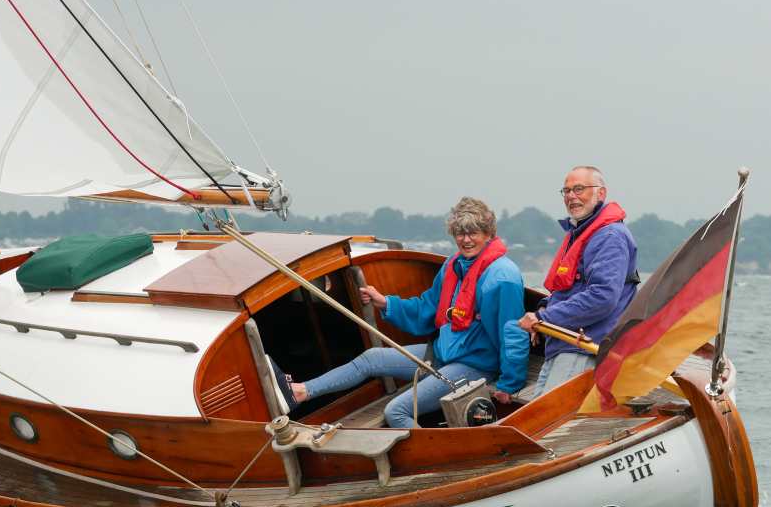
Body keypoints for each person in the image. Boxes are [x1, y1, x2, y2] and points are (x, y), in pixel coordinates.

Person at [268, 197, 529, 428]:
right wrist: (386, 303)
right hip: (442, 354)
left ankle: (436, 463)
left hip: (475, 365)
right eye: (460, 233)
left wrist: (509, 384)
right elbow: (428, 307)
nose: (466, 239)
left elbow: (513, 332)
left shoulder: (502, 277)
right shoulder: (454, 265)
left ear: (488, 234)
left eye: (473, 232)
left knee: (397, 410)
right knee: (371, 358)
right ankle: (300, 392)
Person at [512, 166, 638, 401]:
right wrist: (544, 308)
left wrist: (544, 319)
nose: (571, 196)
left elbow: (602, 297)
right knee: (538, 416)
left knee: (546, 421)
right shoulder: (582, 234)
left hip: (584, 345)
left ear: (601, 193)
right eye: (567, 191)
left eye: (579, 189)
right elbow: (569, 290)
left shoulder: (610, 237)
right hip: (564, 343)